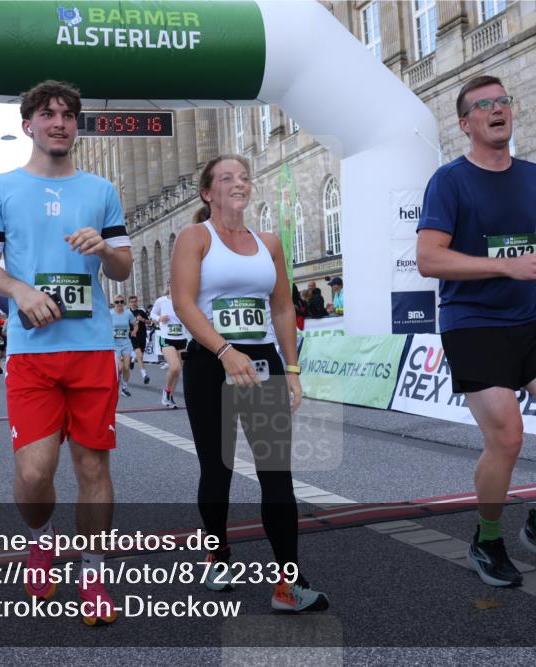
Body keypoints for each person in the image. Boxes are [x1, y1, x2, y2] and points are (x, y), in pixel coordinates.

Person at [416, 75, 536, 588]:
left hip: (529, 321)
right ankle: (488, 538)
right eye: (484, 105)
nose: (497, 109)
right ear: (466, 123)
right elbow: (428, 259)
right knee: (508, 436)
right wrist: (506, 268)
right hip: (472, 325)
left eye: (503, 101)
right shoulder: (449, 181)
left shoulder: (533, 176)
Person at [0, 80, 131, 625]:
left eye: (67, 115)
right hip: (31, 351)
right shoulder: (0, 187)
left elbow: (123, 267)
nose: (59, 122)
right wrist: (20, 291)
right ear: (28, 125)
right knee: (36, 473)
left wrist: (106, 248)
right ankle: (40, 538)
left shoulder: (101, 189)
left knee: (92, 466)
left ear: (75, 125)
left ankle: (93, 571)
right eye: (47, 114)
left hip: (89, 347)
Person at [172, 154, 329, 612]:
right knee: (216, 470)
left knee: (276, 475)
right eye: (226, 178)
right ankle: (218, 553)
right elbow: (184, 304)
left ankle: (288, 585)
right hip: (210, 361)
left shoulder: (269, 243)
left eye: (243, 177)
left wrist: (293, 369)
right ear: (208, 192)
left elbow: (282, 308)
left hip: (261, 362)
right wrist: (224, 350)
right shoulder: (194, 237)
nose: (238, 183)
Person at [150, 283, 187, 407]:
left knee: (177, 371)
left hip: (182, 338)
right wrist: (160, 318)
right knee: (175, 367)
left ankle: (169, 397)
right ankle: (166, 391)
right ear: (168, 285)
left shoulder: (183, 299)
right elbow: (152, 314)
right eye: (172, 283)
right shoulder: (161, 300)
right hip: (166, 338)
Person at [110, 295, 137, 397]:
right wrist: (109, 333)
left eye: (121, 301)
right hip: (114, 343)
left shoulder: (128, 313)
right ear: (114, 303)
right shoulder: (110, 314)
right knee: (120, 367)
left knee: (126, 367)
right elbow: (104, 325)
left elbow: (135, 324)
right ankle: (115, 384)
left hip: (126, 343)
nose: (119, 304)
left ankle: (124, 388)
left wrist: (134, 331)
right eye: (117, 302)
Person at [128, 295, 151, 384]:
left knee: (139, 355)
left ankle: (132, 359)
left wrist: (142, 320)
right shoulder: (127, 314)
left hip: (142, 336)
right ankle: (144, 375)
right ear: (129, 303)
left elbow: (149, 322)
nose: (133, 303)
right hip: (133, 337)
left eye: (135, 302)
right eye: (131, 302)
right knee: (140, 356)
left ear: (137, 302)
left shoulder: (141, 312)